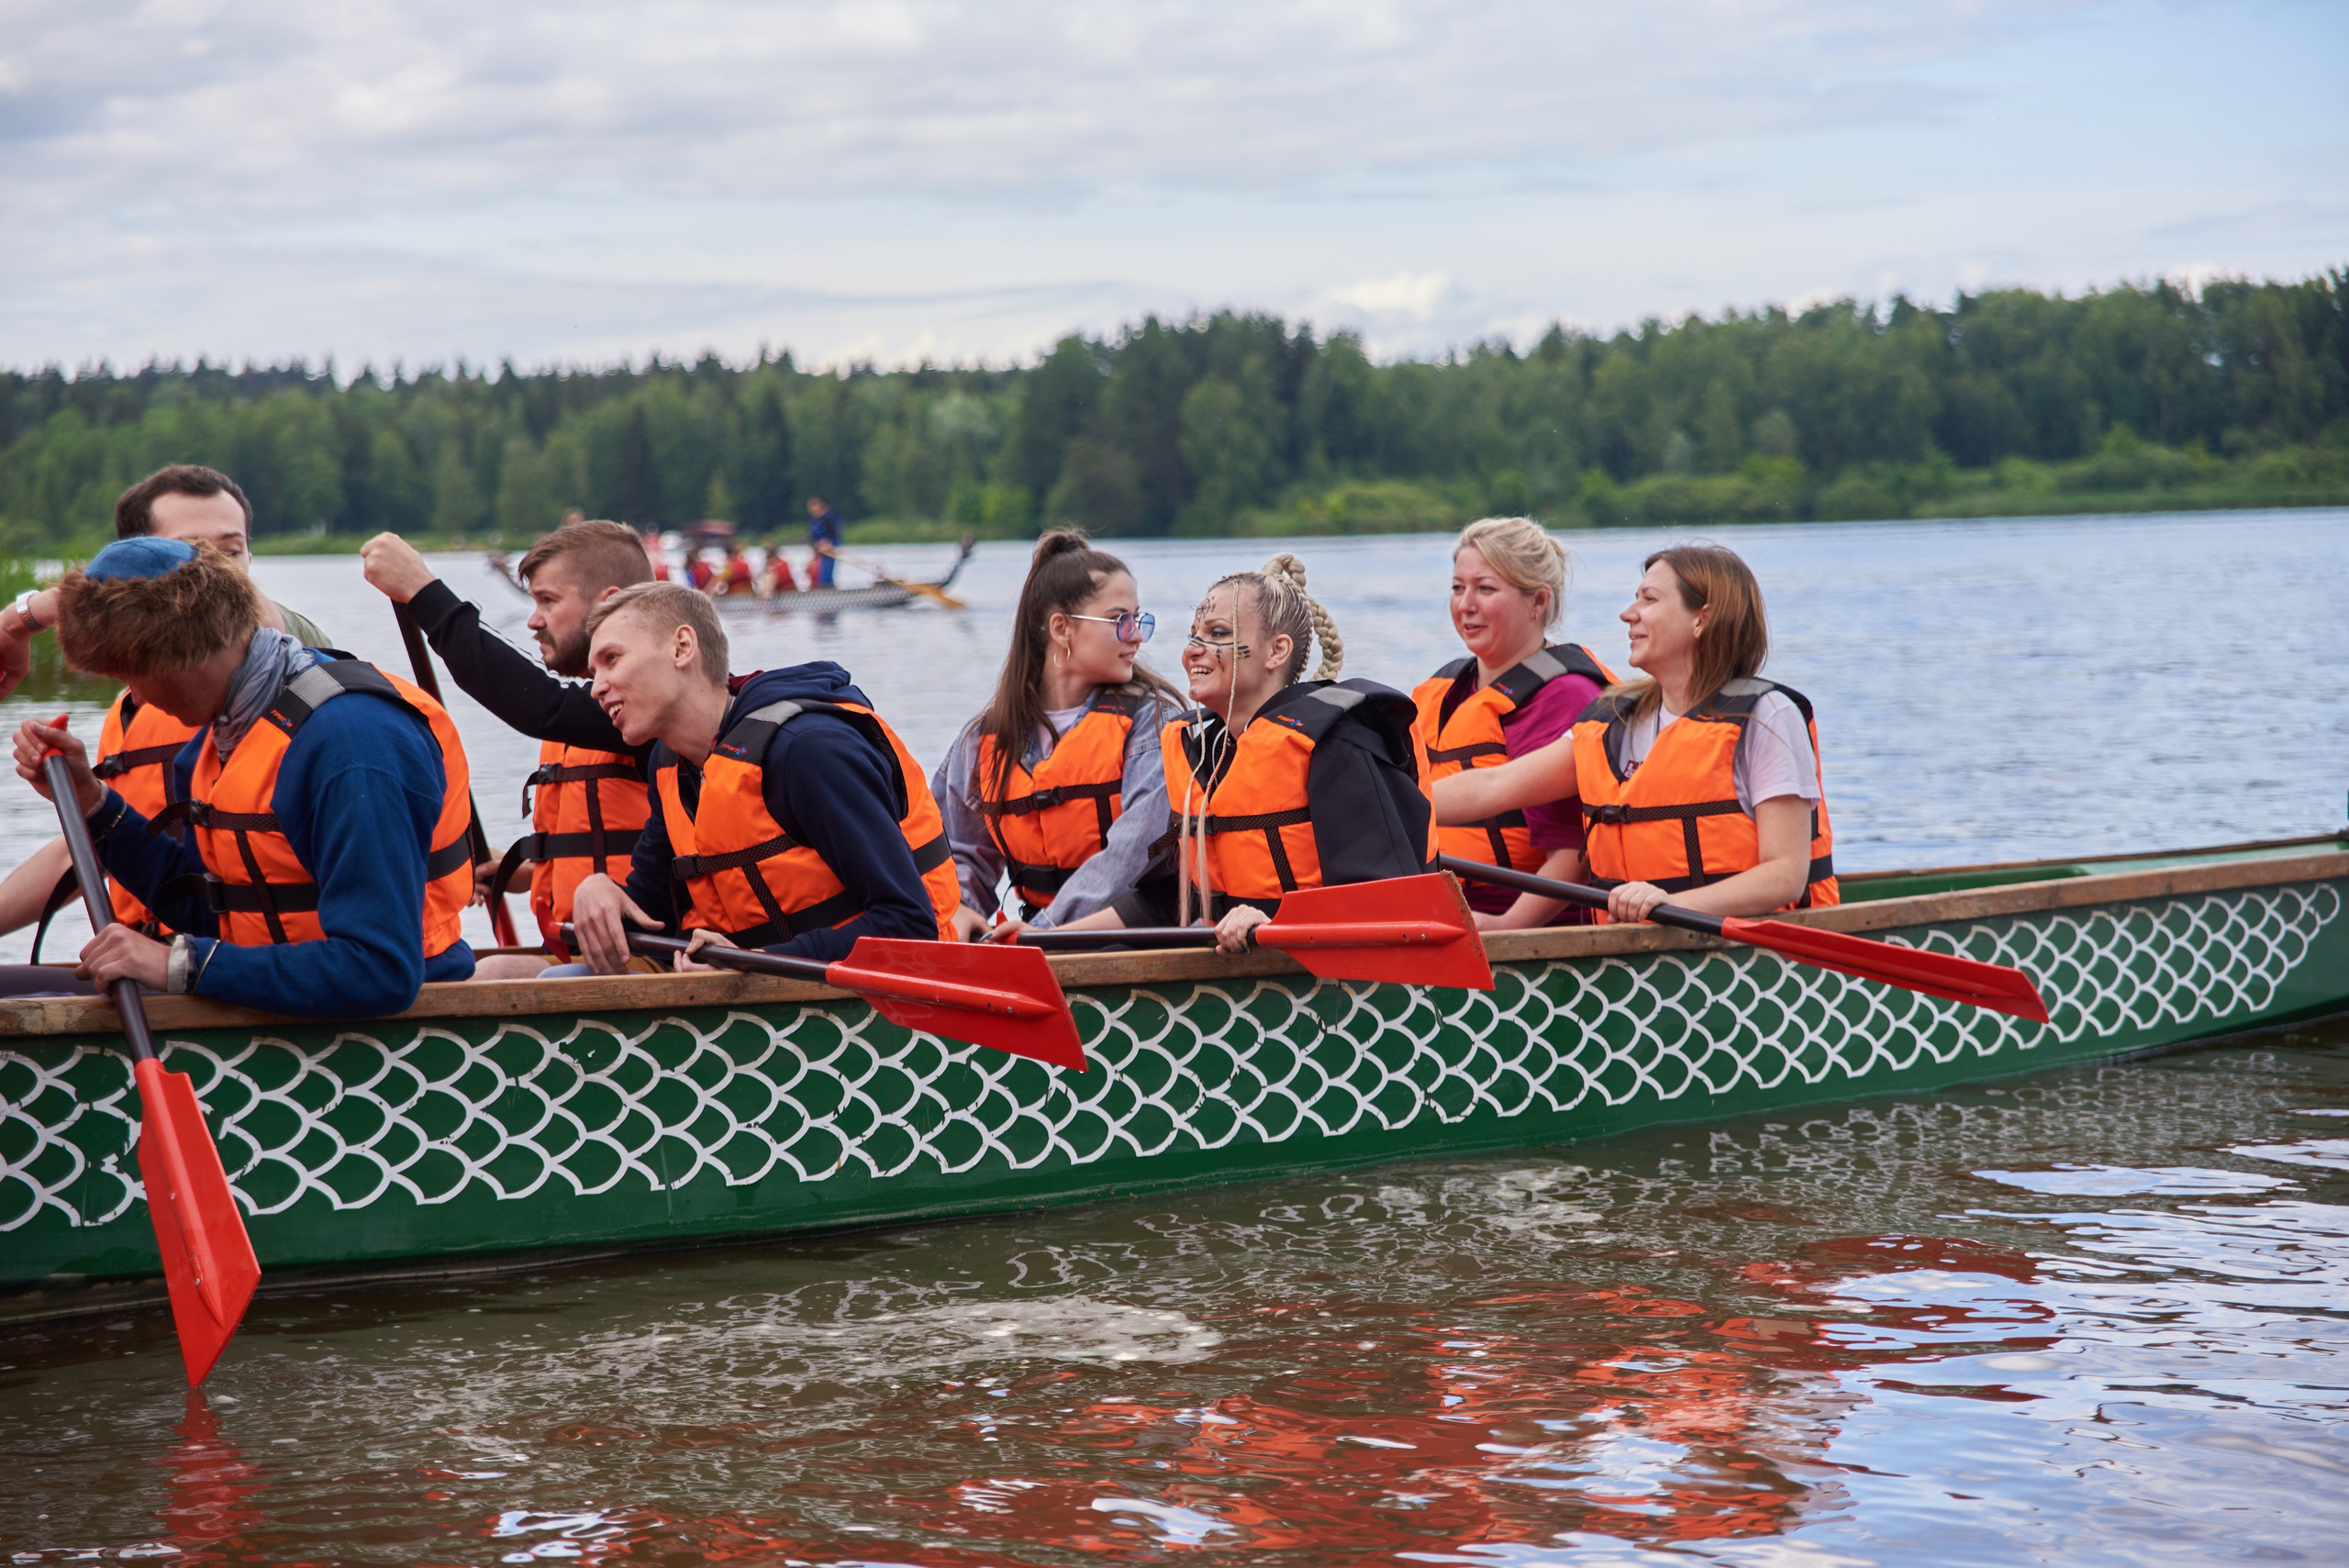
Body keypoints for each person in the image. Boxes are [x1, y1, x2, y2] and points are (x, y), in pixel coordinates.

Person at [13, 538, 478, 1017]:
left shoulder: (352, 745)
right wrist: (93, 802)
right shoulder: (230, 733)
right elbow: (214, 908)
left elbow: (380, 971)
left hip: (381, 1037)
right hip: (278, 1001)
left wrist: (183, 966)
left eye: (135, 673)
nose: (138, 697)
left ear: (179, 653)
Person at [0, 465, 332, 956]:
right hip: (148, 954)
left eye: (233, 551)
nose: (221, 573)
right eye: (195, 553)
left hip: (264, 966)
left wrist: (23, 617)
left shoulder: (292, 662)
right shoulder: (139, 703)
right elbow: (95, 847)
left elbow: (242, 613)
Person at [563, 583, 960, 974]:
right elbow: (655, 917)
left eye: (612, 659)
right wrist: (600, 892)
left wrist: (755, 964)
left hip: (891, 1000)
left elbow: (909, 925)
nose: (596, 688)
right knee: (559, 977)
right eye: (594, 670)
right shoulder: (670, 765)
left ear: (682, 648)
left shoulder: (808, 750)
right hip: (765, 990)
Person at [1431, 544, 1835, 925]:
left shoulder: (1767, 718)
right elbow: (1493, 785)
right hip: (1635, 949)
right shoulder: (1615, 721)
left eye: (1649, 599)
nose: (1628, 613)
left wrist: (1672, 905)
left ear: (1702, 618)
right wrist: (1391, 803)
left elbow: (1785, 875)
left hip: (1750, 959)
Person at [1050, 554, 1432, 954]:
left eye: (1217, 633)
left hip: (1329, 984)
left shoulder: (1336, 745)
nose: (1193, 651)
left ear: (1276, 652)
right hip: (1244, 971)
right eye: (1193, 635)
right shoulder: (1208, 757)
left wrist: (1278, 925)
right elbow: (1163, 901)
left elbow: (1389, 905)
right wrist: (1043, 942)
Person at [361, 519, 657, 978]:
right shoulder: (593, 709)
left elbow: (537, 702)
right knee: (478, 972)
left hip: (651, 955)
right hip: (587, 950)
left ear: (608, 604)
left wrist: (424, 593)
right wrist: (523, 870)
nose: (533, 620)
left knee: (491, 976)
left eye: (548, 601)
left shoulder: (648, 706)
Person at [931, 530, 1185, 941]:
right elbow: (957, 852)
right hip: (1030, 938)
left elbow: (1134, 854)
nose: (1136, 634)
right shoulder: (982, 738)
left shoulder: (1153, 722)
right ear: (1062, 628)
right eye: (1121, 620)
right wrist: (959, 909)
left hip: (1131, 937)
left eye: (1139, 620)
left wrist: (1040, 933)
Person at [1412, 517, 1617, 930]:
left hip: (1528, 925)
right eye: (1457, 587)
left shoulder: (1565, 696)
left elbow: (1575, 852)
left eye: (1485, 589)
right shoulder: (1441, 689)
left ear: (1538, 601)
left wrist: (1507, 925)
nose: (1465, 604)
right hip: (1439, 907)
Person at [806, 495, 843, 587]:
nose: (811, 509)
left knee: (825, 575)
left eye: (813, 506)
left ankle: (828, 588)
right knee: (815, 573)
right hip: (818, 550)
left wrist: (829, 544)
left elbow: (835, 534)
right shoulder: (814, 521)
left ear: (820, 505)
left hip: (829, 550)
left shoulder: (830, 517)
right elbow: (811, 538)